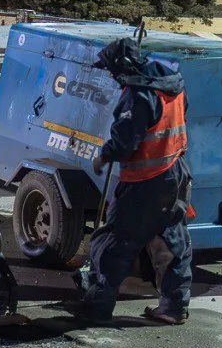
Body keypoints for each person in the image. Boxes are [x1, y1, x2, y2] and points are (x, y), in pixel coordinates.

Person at [82, 37, 193, 325]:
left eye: (110, 69)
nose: (109, 75)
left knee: (117, 243)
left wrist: (103, 156)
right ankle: (173, 307)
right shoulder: (172, 84)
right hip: (176, 173)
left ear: (121, 67)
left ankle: (97, 308)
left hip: (145, 182)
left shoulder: (138, 94)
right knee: (172, 240)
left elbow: (125, 140)